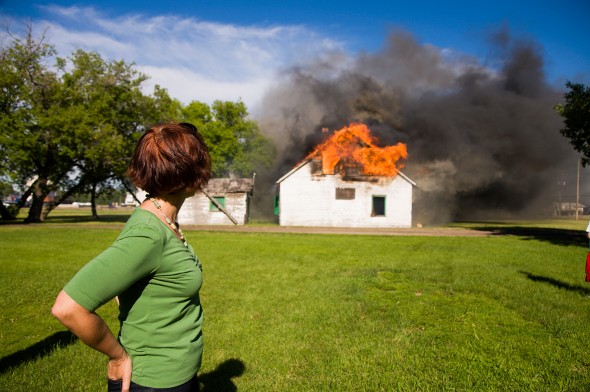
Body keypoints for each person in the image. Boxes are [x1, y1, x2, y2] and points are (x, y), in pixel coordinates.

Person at [52, 122, 212, 392]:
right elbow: (68, 308)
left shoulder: (160, 219)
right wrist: (118, 356)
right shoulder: (149, 234)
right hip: (153, 382)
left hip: (178, 374)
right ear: (189, 173)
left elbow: (136, 275)